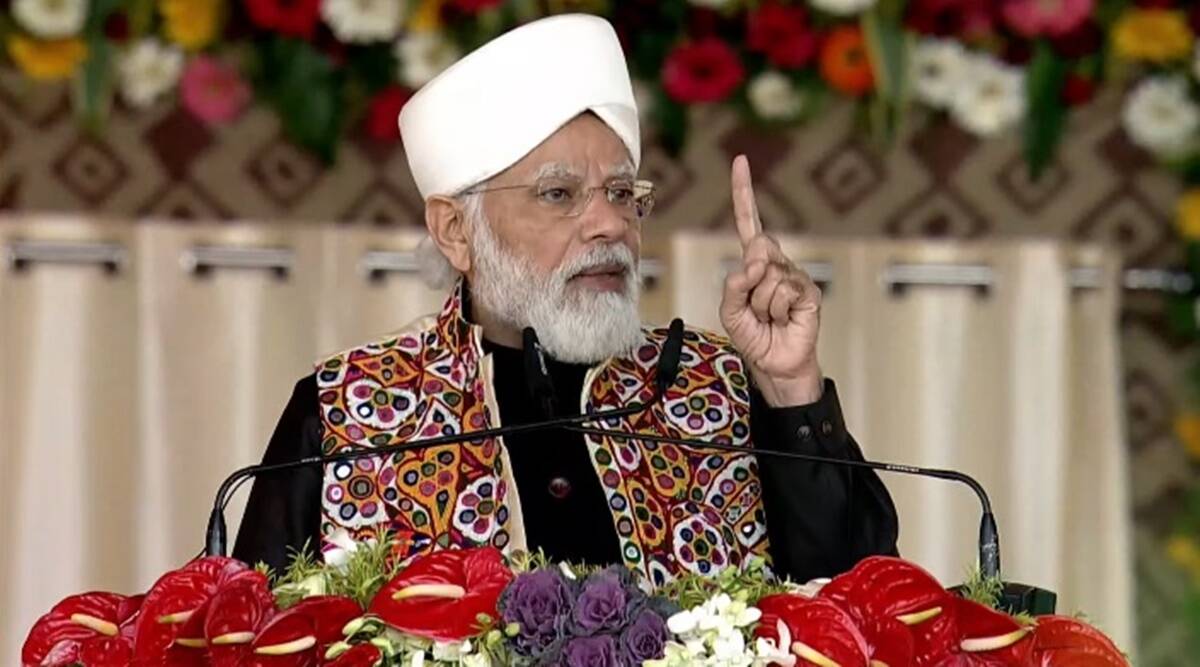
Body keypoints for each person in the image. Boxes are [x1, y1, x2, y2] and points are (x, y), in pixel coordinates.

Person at [234, 14, 897, 588]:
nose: (609, 225)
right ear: (455, 230)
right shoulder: (347, 411)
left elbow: (864, 611)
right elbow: (256, 637)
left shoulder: (721, 384)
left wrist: (789, 390)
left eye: (620, 193)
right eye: (558, 195)